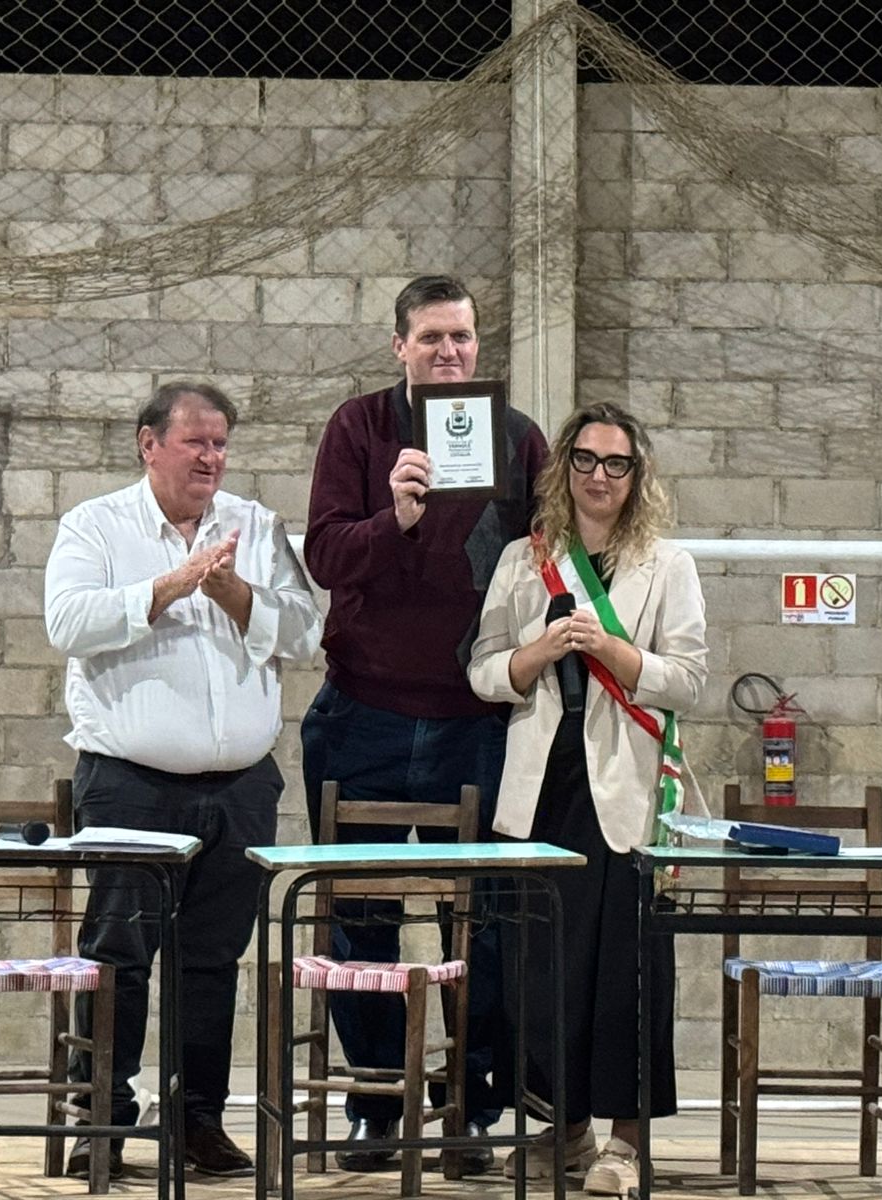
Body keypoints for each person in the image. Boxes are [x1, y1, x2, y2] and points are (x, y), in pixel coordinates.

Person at [301, 274, 549, 1170]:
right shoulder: (358, 428)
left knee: (479, 925)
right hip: (361, 709)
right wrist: (395, 518)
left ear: (479, 346)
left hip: (472, 716)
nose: (450, 351)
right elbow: (324, 555)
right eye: (433, 337)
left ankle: (470, 1109)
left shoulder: (517, 438)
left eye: (463, 337)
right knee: (358, 915)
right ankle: (375, 1103)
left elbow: (549, 553)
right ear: (399, 346)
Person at [45, 380, 321, 1178]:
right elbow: (67, 622)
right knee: (119, 955)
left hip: (239, 787)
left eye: (221, 443)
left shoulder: (255, 526)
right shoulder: (96, 525)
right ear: (149, 444)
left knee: (211, 962)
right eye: (196, 441)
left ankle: (197, 1120)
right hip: (130, 782)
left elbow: (305, 634)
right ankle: (101, 1116)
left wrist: (234, 592)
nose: (211, 457)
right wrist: (172, 585)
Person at [469, 401, 707, 1196]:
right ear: (564, 466)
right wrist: (536, 652)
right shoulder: (523, 559)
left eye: (616, 463)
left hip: (626, 794)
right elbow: (483, 670)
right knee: (540, 972)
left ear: (637, 476)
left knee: (627, 972)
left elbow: (689, 679)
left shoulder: (666, 564)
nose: (599, 476)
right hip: (540, 791)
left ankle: (626, 1143)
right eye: (586, 460)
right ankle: (563, 1130)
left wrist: (614, 651)